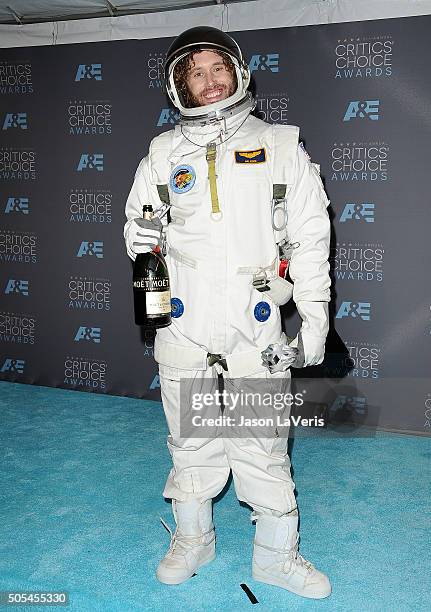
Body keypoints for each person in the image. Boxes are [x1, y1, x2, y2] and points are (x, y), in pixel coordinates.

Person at [124, 26, 331, 599]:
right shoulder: (164, 153)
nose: (210, 81)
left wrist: (314, 319)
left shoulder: (281, 146)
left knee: (262, 442)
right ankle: (195, 539)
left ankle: (276, 557)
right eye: (196, 72)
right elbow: (138, 230)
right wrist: (144, 247)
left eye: (219, 67)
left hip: (253, 325)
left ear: (239, 73)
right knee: (189, 440)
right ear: (179, 86)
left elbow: (310, 238)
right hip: (186, 325)